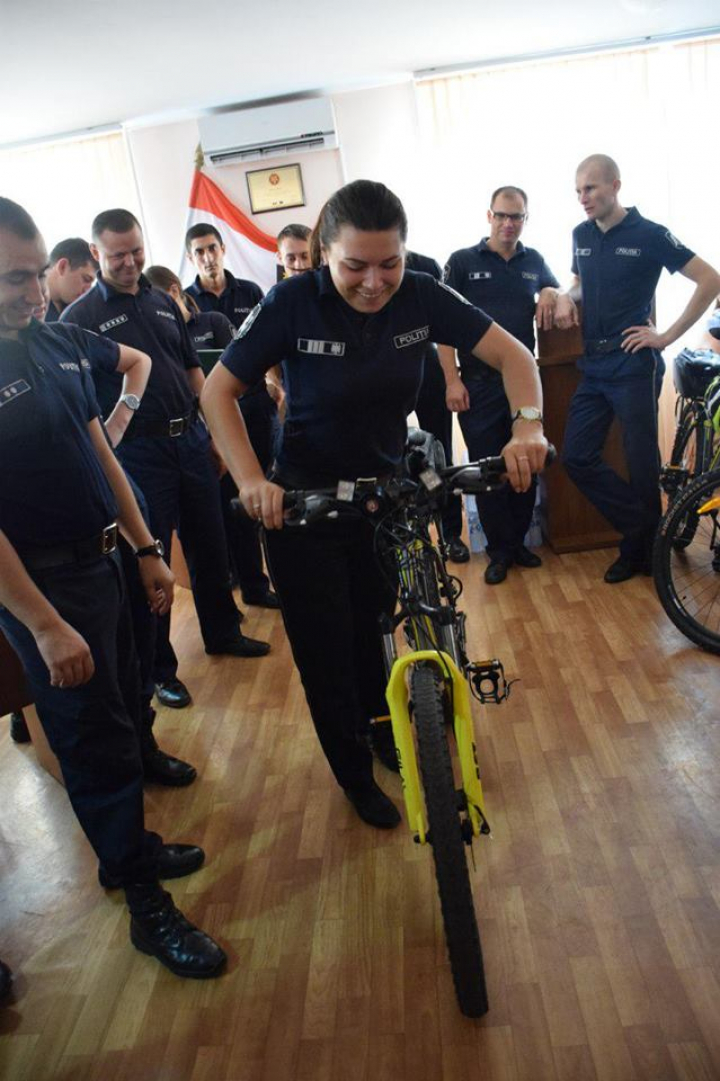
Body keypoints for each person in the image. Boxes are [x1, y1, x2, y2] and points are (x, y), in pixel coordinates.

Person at [201, 179, 547, 829]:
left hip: (385, 502)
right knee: (326, 652)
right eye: (354, 265)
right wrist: (250, 479)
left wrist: (528, 424)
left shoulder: (418, 292)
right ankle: (352, 771)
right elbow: (218, 391)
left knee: (372, 634)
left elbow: (513, 354)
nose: (373, 281)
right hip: (304, 510)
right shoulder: (291, 303)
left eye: (388, 262)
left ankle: (383, 730)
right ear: (323, 252)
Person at [0, 197, 225, 977]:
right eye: (12, 279)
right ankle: (141, 904)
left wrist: (145, 551)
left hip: (105, 566)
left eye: (36, 275)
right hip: (44, 587)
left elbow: (104, 457)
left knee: (127, 703)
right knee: (93, 743)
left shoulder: (58, 343)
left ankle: (131, 849)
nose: (31, 291)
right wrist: (43, 625)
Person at [62, 209, 270, 713]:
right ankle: (161, 670)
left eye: (137, 251)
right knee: (151, 559)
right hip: (138, 455)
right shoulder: (78, 320)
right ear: (96, 254)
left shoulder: (162, 301)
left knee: (210, 542)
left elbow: (192, 370)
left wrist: (215, 437)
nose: (131, 262)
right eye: (118, 255)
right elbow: (83, 404)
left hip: (191, 442)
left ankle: (223, 631)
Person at [555, 154, 720, 583]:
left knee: (641, 463)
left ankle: (641, 552)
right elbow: (580, 282)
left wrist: (666, 336)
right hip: (593, 363)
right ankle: (649, 532)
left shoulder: (650, 234)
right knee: (576, 455)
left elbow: (711, 279)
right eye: (577, 191)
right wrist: (561, 294)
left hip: (633, 364)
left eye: (590, 188)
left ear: (615, 185)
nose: (583, 198)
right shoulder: (580, 233)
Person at [441, 186, 560, 584]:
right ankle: (499, 551)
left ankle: (519, 543)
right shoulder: (461, 262)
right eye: (502, 215)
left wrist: (549, 290)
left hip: (522, 386)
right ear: (488, 216)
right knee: (489, 469)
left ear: (526, 219)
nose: (509, 224)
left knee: (527, 462)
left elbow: (558, 291)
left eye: (517, 217)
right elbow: (442, 326)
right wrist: (452, 379)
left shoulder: (534, 260)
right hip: (477, 385)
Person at [185, 225, 279, 610]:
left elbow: (273, 341)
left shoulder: (251, 293)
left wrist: (275, 380)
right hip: (216, 416)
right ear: (191, 258)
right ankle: (239, 577)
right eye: (199, 252)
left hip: (257, 407)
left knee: (266, 491)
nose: (208, 257)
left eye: (212, 248)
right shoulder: (184, 304)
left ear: (223, 249)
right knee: (231, 501)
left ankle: (261, 582)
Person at [405, 250, 467, 563]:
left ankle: (450, 533)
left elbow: (445, 326)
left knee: (439, 456)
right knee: (390, 457)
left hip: (427, 369)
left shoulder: (425, 266)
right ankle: (405, 532)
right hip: (382, 373)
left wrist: (451, 378)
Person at [43, 237, 98, 321]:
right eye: (86, 279)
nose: (88, 290)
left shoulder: (77, 311)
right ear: (63, 267)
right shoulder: (30, 308)